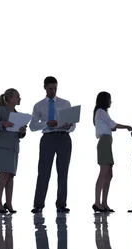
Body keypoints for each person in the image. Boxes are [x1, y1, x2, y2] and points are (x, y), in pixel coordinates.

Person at [29, 76, 75, 214]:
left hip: (64, 137)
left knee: (63, 172)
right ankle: (38, 204)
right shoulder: (38, 106)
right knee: (43, 172)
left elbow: (73, 125)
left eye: (55, 88)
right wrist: (46, 124)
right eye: (50, 88)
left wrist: (68, 127)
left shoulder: (65, 103)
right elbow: (32, 126)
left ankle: (61, 204)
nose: (53, 91)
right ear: (45, 88)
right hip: (47, 138)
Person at [92, 92, 132, 212]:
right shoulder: (101, 111)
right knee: (103, 172)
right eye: (109, 99)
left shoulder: (102, 113)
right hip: (104, 142)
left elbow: (111, 127)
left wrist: (115, 128)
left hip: (107, 142)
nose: (110, 102)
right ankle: (97, 202)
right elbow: (112, 124)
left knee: (109, 174)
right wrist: (127, 126)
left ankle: (104, 202)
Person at [0, 88, 27, 214]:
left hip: (14, 146)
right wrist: (3, 123)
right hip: (3, 145)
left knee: (11, 176)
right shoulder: (1, 110)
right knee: (4, 173)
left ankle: (9, 203)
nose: (19, 98)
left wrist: (22, 131)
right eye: (17, 96)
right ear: (10, 98)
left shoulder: (17, 114)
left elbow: (19, 134)